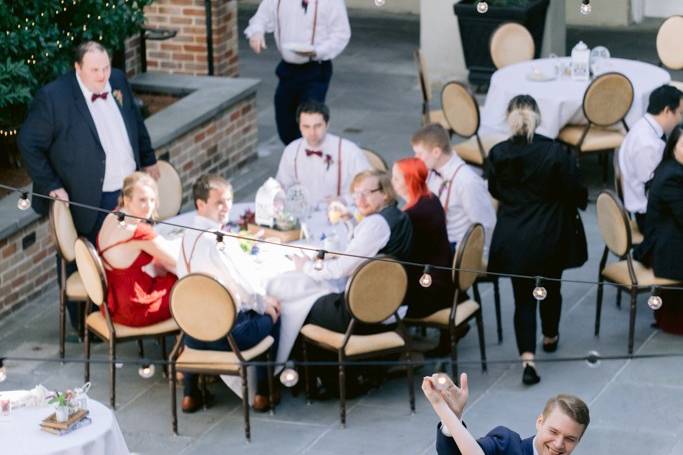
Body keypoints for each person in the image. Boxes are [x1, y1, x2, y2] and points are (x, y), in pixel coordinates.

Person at [18, 41, 158, 333]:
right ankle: (85, 327)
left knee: (128, 255)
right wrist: (51, 184)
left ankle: (129, 313)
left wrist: (148, 158)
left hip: (127, 193)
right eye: (95, 69)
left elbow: (135, 121)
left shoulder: (117, 80)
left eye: (105, 67)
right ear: (77, 68)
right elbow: (28, 143)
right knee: (86, 260)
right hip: (88, 196)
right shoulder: (54, 98)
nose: (102, 75)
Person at [485, 95, 588, 385]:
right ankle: (550, 335)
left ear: (509, 118)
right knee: (551, 287)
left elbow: (496, 191)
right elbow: (577, 193)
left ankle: (528, 359)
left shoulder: (499, 154)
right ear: (539, 118)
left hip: (515, 234)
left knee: (522, 299)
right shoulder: (556, 153)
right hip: (550, 233)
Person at [176, 174, 281, 413]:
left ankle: (190, 395)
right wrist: (265, 304)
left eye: (228, 200)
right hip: (227, 337)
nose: (226, 207)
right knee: (274, 312)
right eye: (219, 203)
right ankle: (264, 393)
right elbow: (246, 288)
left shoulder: (186, 235)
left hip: (193, 333)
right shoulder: (217, 241)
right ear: (200, 204)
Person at [297, 169, 413, 334]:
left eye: (366, 193)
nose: (359, 200)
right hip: (392, 303)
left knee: (300, 306)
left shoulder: (376, 224)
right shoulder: (396, 214)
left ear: (385, 193)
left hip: (365, 314)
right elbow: (374, 247)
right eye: (356, 194)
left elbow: (341, 269)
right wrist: (351, 221)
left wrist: (306, 267)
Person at [244, 0, 351, 145]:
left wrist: (317, 52)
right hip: (287, 70)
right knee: (285, 125)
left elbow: (341, 34)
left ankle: (312, 158)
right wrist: (256, 33)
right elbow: (261, 18)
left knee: (310, 122)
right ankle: (297, 156)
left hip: (316, 70)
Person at [423, 373, 590, 455]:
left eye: (570, 439)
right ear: (540, 422)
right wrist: (449, 416)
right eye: (553, 432)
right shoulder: (508, 444)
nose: (559, 444)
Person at [96, 172, 177, 328]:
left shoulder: (113, 215)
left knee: (166, 274)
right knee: (189, 287)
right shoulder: (137, 231)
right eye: (142, 200)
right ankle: (191, 344)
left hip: (113, 302)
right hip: (135, 307)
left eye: (152, 200)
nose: (149, 206)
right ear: (127, 199)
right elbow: (175, 258)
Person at [412, 123, 496, 255]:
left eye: (419, 153)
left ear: (436, 152)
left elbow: (486, 225)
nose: (415, 158)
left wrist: (472, 262)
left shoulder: (467, 182)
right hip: (435, 240)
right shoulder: (432, 172)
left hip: (454, 249)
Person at [391, 157, 453, 319]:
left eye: (396, 178)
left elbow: (401, 255)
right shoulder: (431, 198)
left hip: (429, 288)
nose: (392, 182)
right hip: (443, 275)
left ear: (409, 181)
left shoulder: (413, 215)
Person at [635, 126, 683, 334]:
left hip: (666, 239)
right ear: (673, 146)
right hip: (666, 251)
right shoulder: (672, 177)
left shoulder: (671, 168)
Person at [275, 101, 371, 206]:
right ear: (299, 127)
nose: (312, 132)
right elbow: (282, 185)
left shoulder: (349, 151)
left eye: (317, 126)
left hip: (341, 215)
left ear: (327, 124)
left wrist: (345, 200)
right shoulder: (292, 150)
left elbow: (369, 186)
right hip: (303, 214)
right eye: (306, 127)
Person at [619, 84, 683, 232]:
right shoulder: (648, 146)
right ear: (667, 111)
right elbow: (660, 190)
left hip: (652, 204)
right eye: (680, 113)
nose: (680, 119)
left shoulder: (643, 126)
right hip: (651, 217)